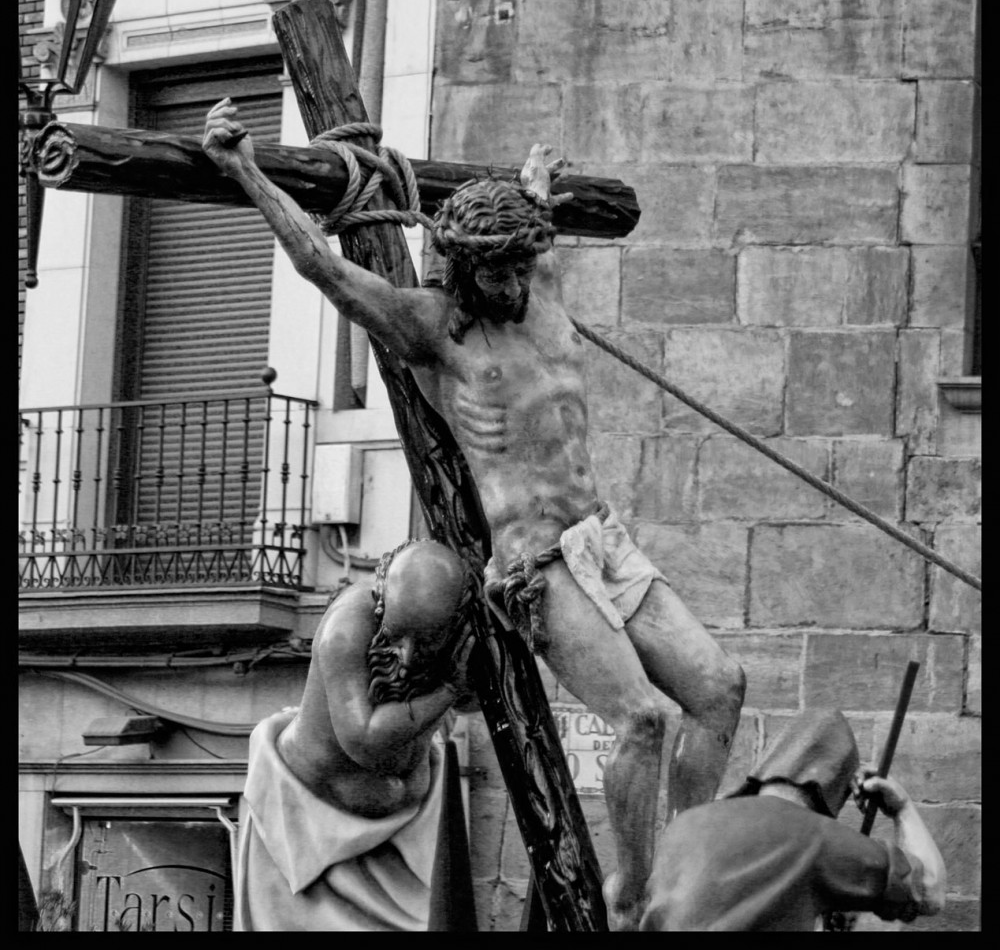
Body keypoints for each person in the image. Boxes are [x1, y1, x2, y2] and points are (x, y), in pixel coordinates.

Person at [205, 101, 746, 930]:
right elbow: (324, 267)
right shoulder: (434, 329)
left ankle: (681, 870)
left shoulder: (540, 280)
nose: (516, 284)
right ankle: (633, 900)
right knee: (643, 720)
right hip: (539, 566)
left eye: (524, 264)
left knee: (718, 689)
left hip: (605, 540)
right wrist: (244, 168)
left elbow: (531, 231)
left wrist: (531, 188)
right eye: (498, 272)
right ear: (463, 268)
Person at [235, 539, 478, 931]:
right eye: (397, 634)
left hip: (402, 837)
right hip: (313, 834)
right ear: (382, 600)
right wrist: (448, 688)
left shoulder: (453, 623)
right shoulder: (343, 632)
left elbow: (473, 703)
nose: (408, 656)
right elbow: (364, 740)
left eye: (427, 640)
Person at [639, 709, 947, 932]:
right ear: (834, 788)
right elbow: (930, 891)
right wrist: (902, 808)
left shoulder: (683, 826)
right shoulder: (818, 838)